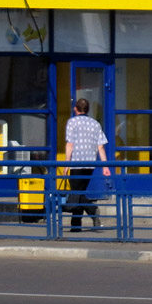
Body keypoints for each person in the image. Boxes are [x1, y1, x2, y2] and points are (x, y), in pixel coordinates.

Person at [63, 98, 111, 231]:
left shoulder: (72, 122)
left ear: (75, 109)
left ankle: (92, 209)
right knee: (79, 192)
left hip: (76, 163)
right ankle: (76, 225)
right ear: (87, 109)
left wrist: (66, 163)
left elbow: (70, 144)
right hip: (90, 163)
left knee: (76, 193)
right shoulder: (95, 124)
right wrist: (105, 166)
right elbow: (100, 147)